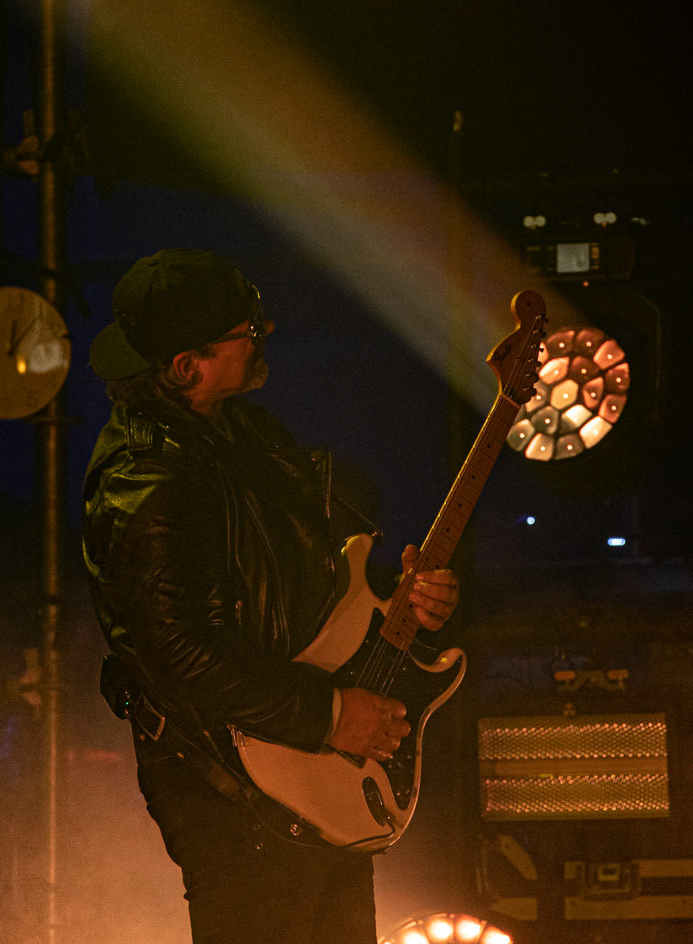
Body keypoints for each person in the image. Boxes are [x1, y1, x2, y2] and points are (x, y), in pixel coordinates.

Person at [81, 248, 460, 944]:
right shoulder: (145, 482)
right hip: (234, 789)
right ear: (186, 366)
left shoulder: (247, 438)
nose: (267, 332)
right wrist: (329, 715)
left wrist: (402, 608)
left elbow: (308, 597)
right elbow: (180, 651)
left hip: (311, 776)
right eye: (245, 330)